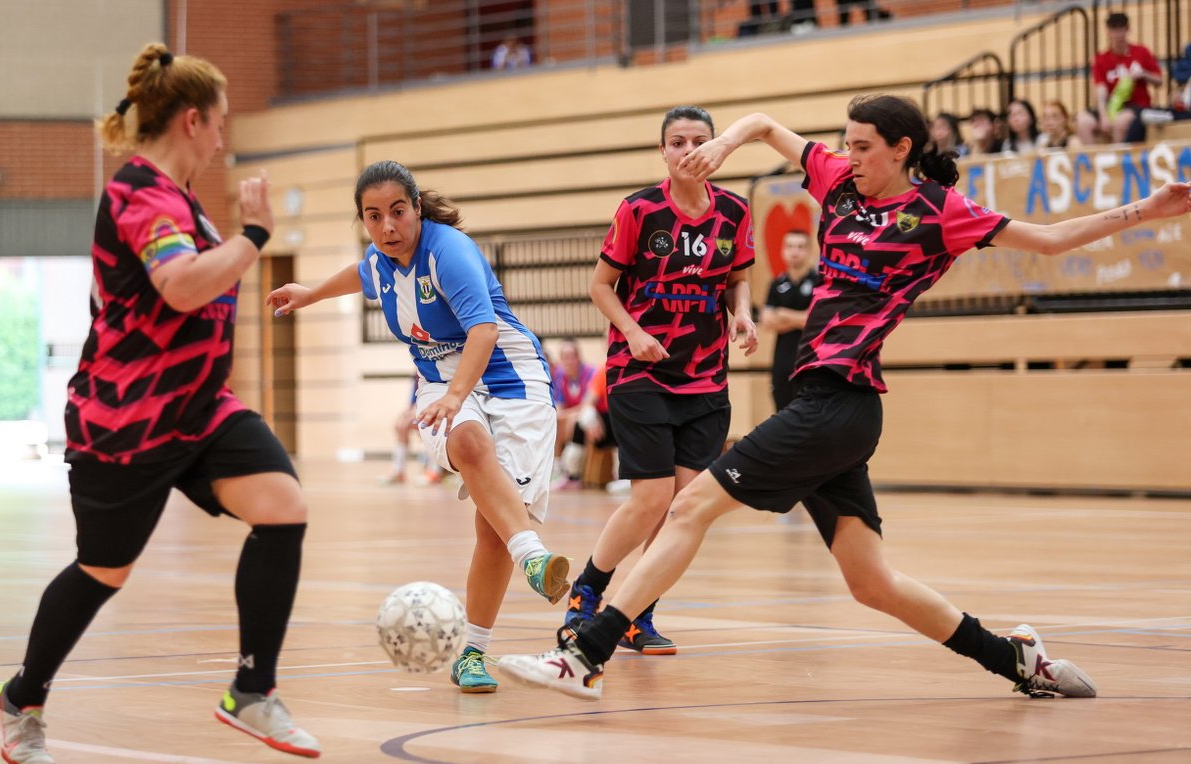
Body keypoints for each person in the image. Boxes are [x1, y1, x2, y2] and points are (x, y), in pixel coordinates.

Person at [498, 94, 1191, 701]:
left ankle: (583, 654)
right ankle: (1016, 660)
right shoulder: (840, 184)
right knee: (872, 583)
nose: (847, 155)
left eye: (863, 146)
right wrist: (727, 140)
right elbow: (767, 124)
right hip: (831, 409)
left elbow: (1048, 239)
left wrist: (1147, 210)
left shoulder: (938, 212)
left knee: (687, 506)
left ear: (901, 149)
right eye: (846, 143)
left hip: (839, 404)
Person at [0, 43, 320, 764]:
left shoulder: (183, 203)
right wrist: (254, 237)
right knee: (102, 572)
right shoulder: (139, 192)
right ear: (194, 122)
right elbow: (180, 287)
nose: (225, 137)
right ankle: (22, 698)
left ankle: (251, 689)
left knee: (283, 506)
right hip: (127, 420)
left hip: (200, 409)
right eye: (222, 123)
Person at [265, 160, 570, 694]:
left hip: (512, 376)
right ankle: (536, 560)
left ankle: (471, 651)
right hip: (441, 384)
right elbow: (362, 274)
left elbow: (483, 331)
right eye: (373, 216)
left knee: (491, 531)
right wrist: (311, 292)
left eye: (397, 212)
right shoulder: (379, 260)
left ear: (417, 209)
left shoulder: (447, 252)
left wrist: (459, 393)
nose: (387, 226)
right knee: (468, 441)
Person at [562, 105, 758, 657]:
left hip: (705, 380)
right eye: (677, 142)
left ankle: (636, 614)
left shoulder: (736, 213)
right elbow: (601, 287)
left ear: (716, 148)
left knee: (682, 509)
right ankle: (588, 593)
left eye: (699, 141)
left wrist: (742, 313)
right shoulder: (639, 211)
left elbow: (736, 280)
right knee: (650, 498)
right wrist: (633, 333)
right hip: (639, 371)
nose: (688, 150)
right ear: (663, 151)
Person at [1075, 12, 1162, 144]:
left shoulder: (1141, 52)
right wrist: (1103, 115)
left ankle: (1117, 161)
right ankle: (1091, 163)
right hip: (1112, 106)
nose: (1118, 34)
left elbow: (1159, 80)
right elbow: (1100, 89)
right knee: (1082, 121)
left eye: (1121, 29)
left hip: (1137, 106)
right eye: (1114, 29)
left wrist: (1143, 74)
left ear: (1127, 29)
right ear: (1108, 31)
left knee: (1120, 121)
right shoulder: (1101, 59)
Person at [762, 229, 821, 411]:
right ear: (783, 250)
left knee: (813, 420)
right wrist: (800, 317)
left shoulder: (820, 281)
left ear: (810, 251)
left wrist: (782, 313)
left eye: (800, 247)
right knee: (782, 416)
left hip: (812, 363)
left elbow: (815, 320)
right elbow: (767, 321)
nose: (794, 251)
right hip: (782, 363)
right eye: (790, 246)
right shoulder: (776, 284)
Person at [555, 362, 615, 488]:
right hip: (604, 424)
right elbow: (587, 403)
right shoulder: (604, 371)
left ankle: (623, 477)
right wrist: (591, 422)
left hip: (622, 421)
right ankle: (571, 475)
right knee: (581, 420)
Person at [551, 337, 596, 489]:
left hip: (591, 414)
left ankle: (570, 471)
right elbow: (559, 405)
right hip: (571, 415)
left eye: (571, 356)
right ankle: (557, 468)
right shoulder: (560, 376)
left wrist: (568, 414)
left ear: (578, 357)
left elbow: (587, 404)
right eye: (564, 357)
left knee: (571, 420)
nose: (568, 361)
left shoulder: (591, 372)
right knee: (554, 420)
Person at [384, 375, 443, 485]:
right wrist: (409, 411)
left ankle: (434, 471)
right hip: (421, 407)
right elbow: (413, 400)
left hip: (440, 406)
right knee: (400, 425)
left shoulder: (437, 369)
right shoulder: (418, 373)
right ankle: (398, 470)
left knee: (427, 424)